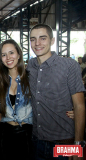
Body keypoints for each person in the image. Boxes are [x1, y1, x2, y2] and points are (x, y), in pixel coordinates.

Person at [27, 24, 85, 159]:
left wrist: (78, 146)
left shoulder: (69, 66)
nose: (37, 43)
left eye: (43, 38)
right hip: (36, 142)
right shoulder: (30, 66)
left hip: (64, 142)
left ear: (52, 41)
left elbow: (79, 105)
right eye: (33, 39)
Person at [0, 39, 33, 160]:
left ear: (19, 54)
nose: (8, 57)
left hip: (26, 133)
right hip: (4, 134)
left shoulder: (31, 77)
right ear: (0, 59)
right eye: (4, 55)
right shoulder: (0, 80)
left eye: (11, 53)